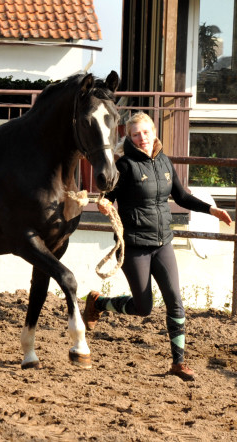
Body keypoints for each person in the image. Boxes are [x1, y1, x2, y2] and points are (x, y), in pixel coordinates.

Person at [84, 111, 232, 382]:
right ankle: (98, 303)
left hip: (163, 242)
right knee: (144, 308)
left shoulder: (164, 161)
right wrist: (103, 203)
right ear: (129, 137)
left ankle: (178, 363)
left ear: (154, 133)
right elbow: (107, 196)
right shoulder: (125, 166)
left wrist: (212, 210)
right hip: (135, 246)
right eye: (136, 134)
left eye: (146, 132)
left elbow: (182, 196)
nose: (142, 138)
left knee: (175, 300)